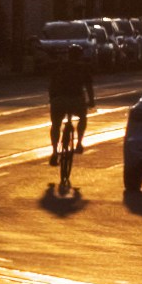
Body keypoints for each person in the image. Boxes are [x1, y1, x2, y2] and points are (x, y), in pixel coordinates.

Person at [47, 43, 94, 192]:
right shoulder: (83, 67)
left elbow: (51, 84)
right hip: (75, 100)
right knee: (83, 117)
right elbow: (88, 87)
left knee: (55, 124)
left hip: (59, 100)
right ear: (79, 55)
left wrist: (52, 98)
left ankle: (55, 152)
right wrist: (91, 101)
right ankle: (79, 143)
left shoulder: (59, 66)